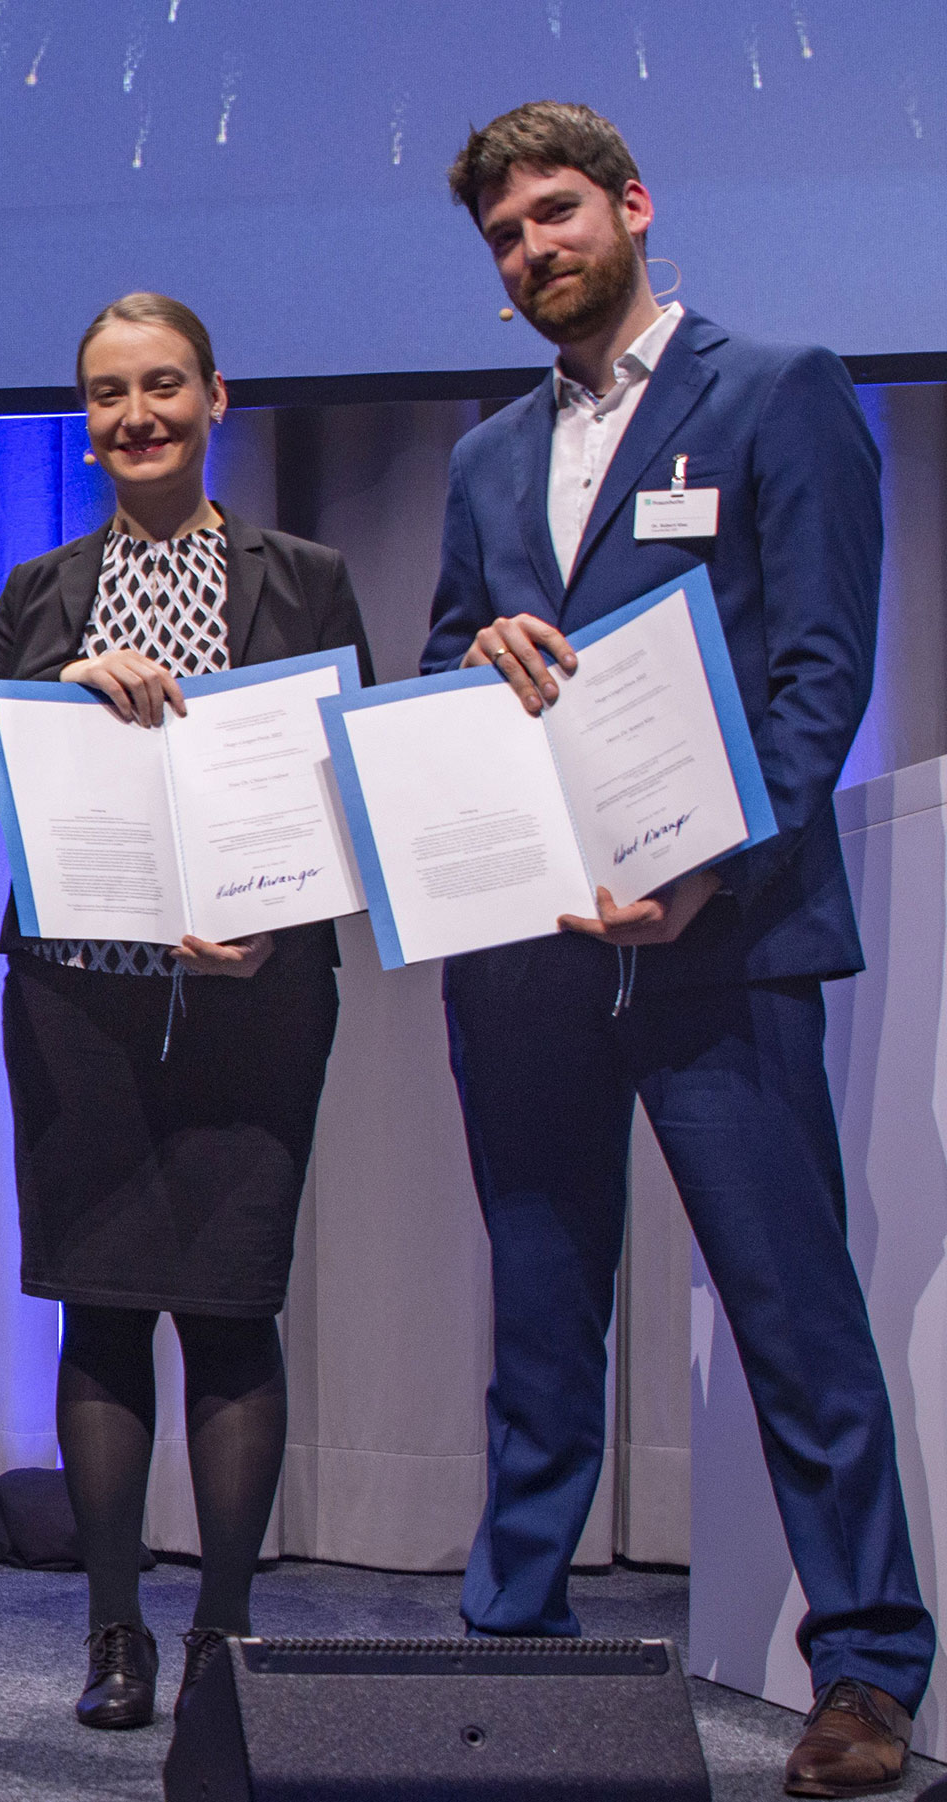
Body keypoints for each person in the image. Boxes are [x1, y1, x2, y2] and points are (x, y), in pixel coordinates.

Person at [423, 102, 934, 1797]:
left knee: (793, 1310)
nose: (534, 250)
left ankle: (865, 1665)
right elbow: (443, 678)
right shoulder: (489, 456)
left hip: (730, 934)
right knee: (545, 1305)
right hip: (536, 947)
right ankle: (516, 1639)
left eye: (557, 214)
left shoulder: (781, 389)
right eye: (504, 237)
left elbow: (819, 675)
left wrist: (715, 866)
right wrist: (475, 653)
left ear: (633, 206)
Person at [0, 294, 374, 1730]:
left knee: (234, 1312)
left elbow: (353, 783)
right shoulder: (45, 585)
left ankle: (225, 1638)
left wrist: (282, 920)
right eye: (110, 395)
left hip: (259, 998)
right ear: (87, 422)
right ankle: (115, 1635)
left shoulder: (306, 575)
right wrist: (45, 688)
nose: (137, 416)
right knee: (104, 1314)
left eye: (163, 386)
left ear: (215, 398)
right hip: (80, 1006)